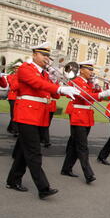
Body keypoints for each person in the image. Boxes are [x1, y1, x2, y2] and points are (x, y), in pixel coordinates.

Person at [5, 42, 80, 200]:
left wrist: (59, 82)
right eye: (43, 55)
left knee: (23, 152)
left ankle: (13, 180)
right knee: (34, 153)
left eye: (48, 56)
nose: (47, 58)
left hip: (38, 116)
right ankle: (43, 188)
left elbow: (55, 95)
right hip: (26, 115)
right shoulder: (26, 68)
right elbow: (36, 83)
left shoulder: (45, 73)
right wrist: (58, 88)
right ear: (34, 55)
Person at [60, 60, 110, 184]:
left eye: (92, 70)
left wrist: (97, 87)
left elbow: (94, 99)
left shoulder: (88, 82)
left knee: (75, 144)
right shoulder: (76, 81)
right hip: (78, 115)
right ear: (82, 70)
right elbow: (85, 97)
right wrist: (102, 94)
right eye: (89, 70)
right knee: (82, 146)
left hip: (86, 115)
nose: (92, 72)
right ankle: (88, 174)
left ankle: (66, 168)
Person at [39, 72, 60, 148]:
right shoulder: (45, 79)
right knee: (43, 123)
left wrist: (54, 84)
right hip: (44, 103)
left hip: (51, 105)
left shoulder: (55, 81)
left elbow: (57, 96)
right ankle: (45, 140)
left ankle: (43, 138)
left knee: (47, 123)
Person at [5, 62, 22, 136]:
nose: (17, 70)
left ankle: (10, 128)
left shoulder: (21, 76)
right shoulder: (10, 76)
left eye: (18, 68)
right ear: (13, 69)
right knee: (14, 114)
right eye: (16, 68)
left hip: (20, 97)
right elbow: (13, 86)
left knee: (17, 114)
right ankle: (15, 130)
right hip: (12, 97)